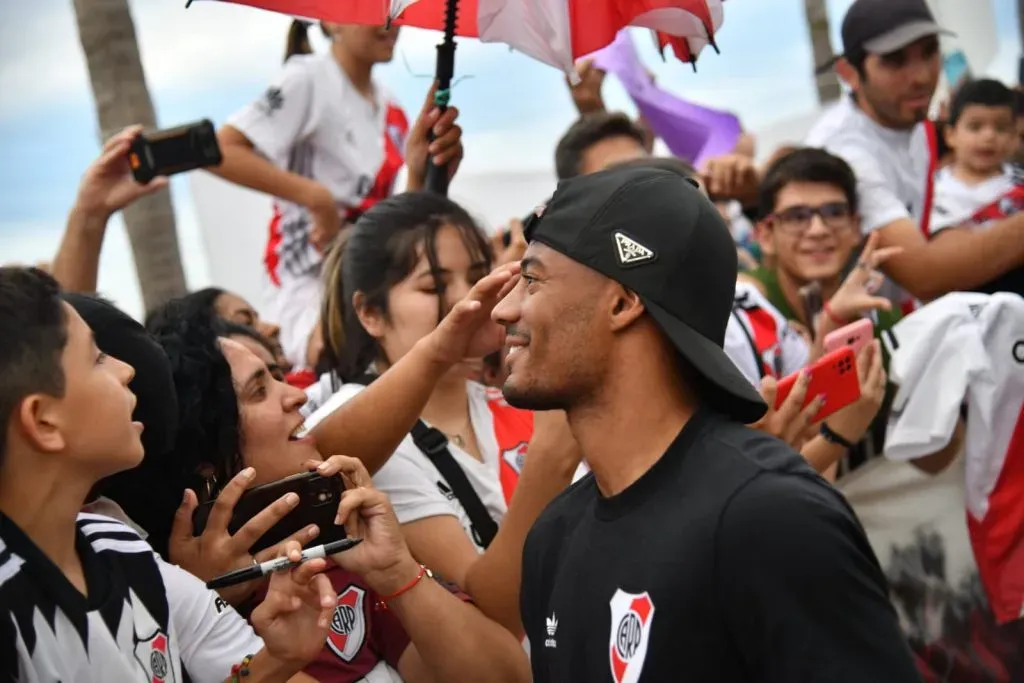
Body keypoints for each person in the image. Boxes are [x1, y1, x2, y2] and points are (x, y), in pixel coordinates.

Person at [492, 167, 920, 681]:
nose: (504, 309)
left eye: (532, 280)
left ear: (623, 302)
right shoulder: (553, 538)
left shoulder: (771, 517)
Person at [142, 303, 531, 682]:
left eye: (278, 376)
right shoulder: (158, 611)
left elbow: (508, 676)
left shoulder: (338, 551)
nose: (297, 396)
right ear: (205, 460)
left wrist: (397, 574)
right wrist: (208, 605)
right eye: (259, 390)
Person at [0, 266, 337, 682]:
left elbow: (238, 672)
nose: (126, 371)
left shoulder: (120, 547)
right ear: (42, 420)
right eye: (97, 358)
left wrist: (278, 660)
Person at [304, 192, 582, 634]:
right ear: (370, 314)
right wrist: (550, 456)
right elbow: (497, 615)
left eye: (477, 275)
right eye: (433, 286)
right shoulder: (363, 438)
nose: (466, 299)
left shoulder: (513, 401)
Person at [214, 20, 464, 371]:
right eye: (372, 6)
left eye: (393, 6)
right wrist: (315, 197)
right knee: (346, 361)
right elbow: (221, 150)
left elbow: (385, 224)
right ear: (331, 20)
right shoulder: (307, 77)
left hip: (363, 277)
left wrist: (422, 176)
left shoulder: (392, 107)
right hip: (305, 283)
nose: (389, 21)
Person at [805, 0, 1024, 301]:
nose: (921, 76)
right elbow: (924, 274)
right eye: (895, 61)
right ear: (849, 73)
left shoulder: (907, 117)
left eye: (929, 51)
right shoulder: (844, 150)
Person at [930, 78, 1024, 295]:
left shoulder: (1020, 186)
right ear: (950, 135)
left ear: (1014, 137)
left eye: (1001, 128)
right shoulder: (930, 191)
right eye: (975, 127)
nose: (989, 136)